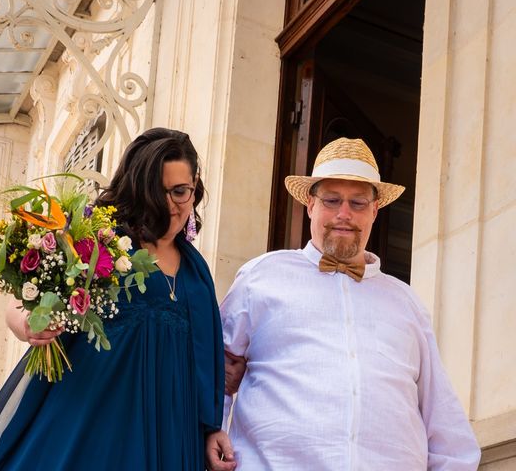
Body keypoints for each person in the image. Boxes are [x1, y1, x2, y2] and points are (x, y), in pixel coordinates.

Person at [0, 128, 225, 470]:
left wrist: (211, 429)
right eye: (160, 192)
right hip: (91, 421)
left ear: (195, 188)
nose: (171, 205)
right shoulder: (99, 243)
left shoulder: (197, 273)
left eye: (181, 192)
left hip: (170, 432)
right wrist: (30, 326)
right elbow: (24, 301)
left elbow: (202, 358)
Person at [206, 137, 481, 470]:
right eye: (332, 200)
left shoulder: (406, 302)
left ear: (375, 210)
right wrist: (210, 435)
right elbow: (214, 376)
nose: (344, 214)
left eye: (358, 203)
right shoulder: (262, 277)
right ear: (310, 205)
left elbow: (442, 417)